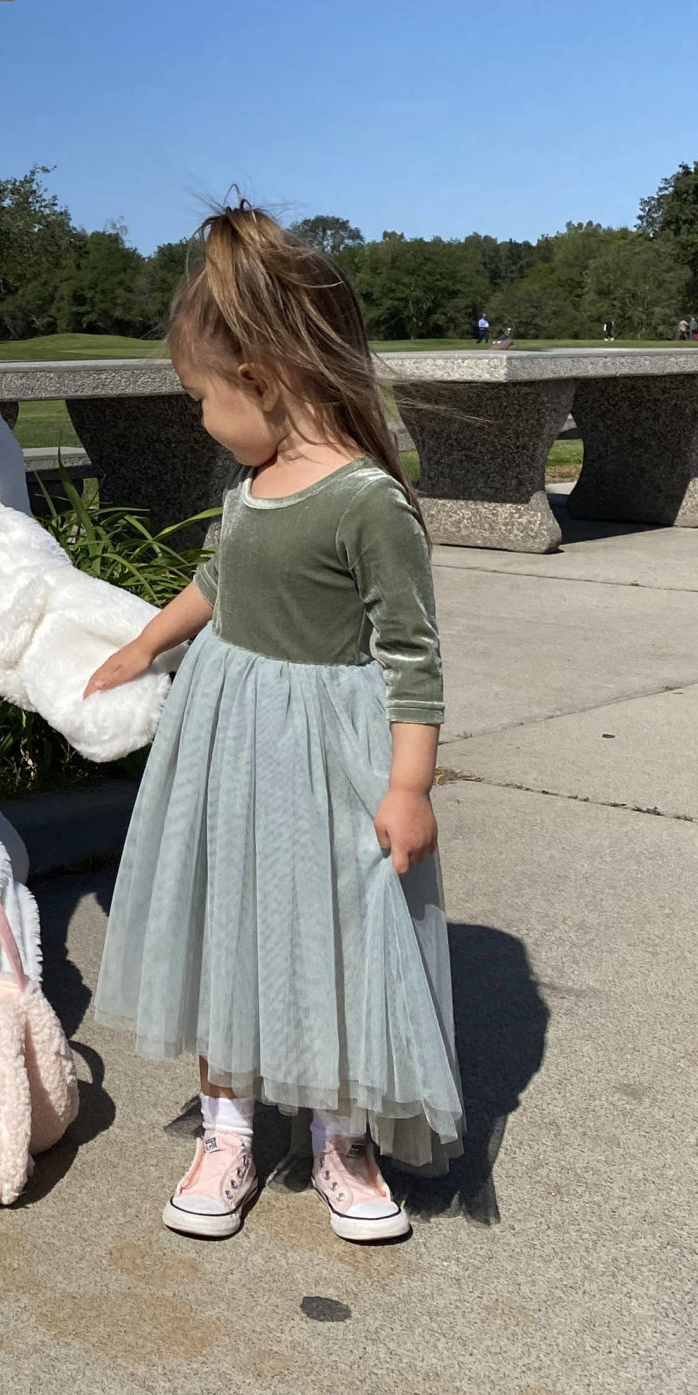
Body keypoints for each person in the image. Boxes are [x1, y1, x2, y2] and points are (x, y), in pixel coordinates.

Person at [84, 202, 462, 1245]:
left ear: (259, 378)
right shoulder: (252, 485)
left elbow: (413, 653)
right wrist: (145, 644)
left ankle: (342, 1134)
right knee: (228, 925)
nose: (201, 417)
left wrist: (409, 784)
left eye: (202, 397)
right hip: (226, 741)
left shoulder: (367, 502)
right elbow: (219, 580)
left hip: (328, 755)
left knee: (334, 934)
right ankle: (227, 1127)